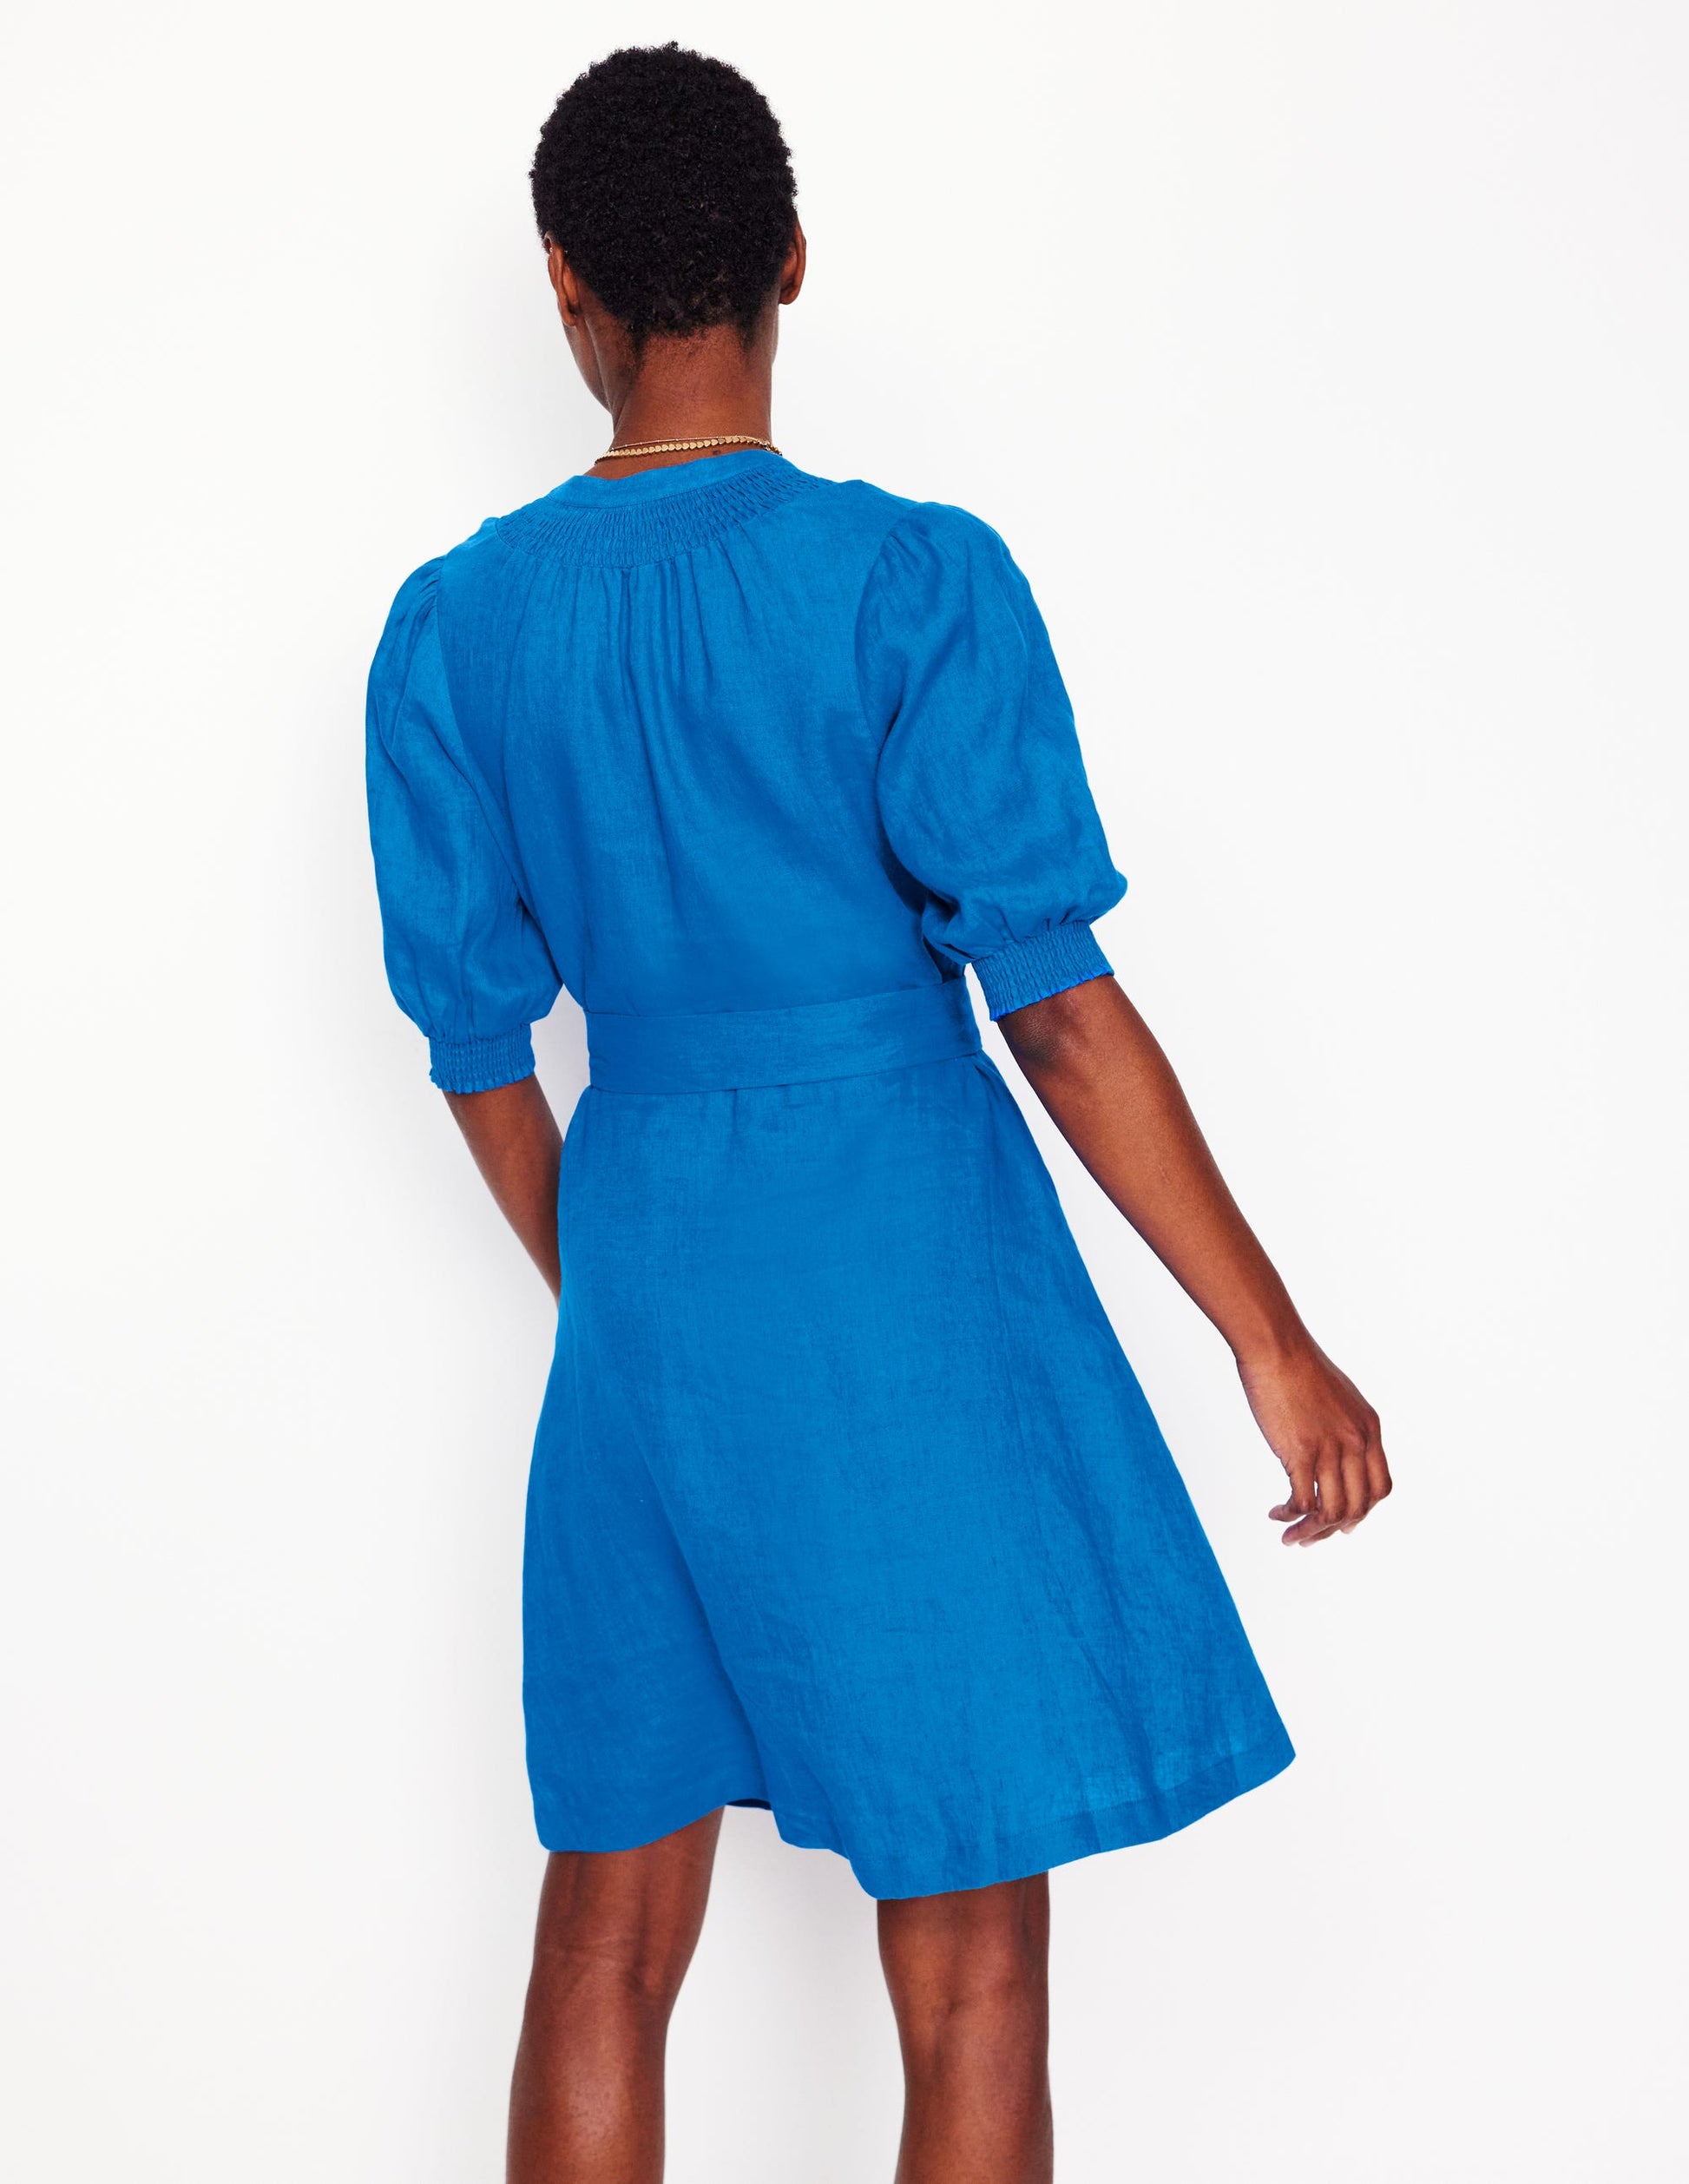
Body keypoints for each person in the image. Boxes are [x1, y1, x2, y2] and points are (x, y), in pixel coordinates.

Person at [365, 42, 1390, 2184]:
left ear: (565, 284)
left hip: (648, 1279)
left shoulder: (455, 629)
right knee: (971, 1963)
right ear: (794, 260)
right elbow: (1060, 1012)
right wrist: (1268, 1339)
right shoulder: (910, 583)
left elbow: (473, 1047)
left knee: (609, 1924)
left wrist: (618, 1289)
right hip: (905, 1281)